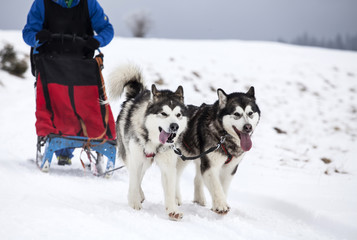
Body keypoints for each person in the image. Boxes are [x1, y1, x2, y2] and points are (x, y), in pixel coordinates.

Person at [23, 0, 115, 166]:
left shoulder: (89, 4)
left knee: (85, 103)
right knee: (57, 103)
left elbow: (107, 29)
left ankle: (82, 141)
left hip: (81, 62)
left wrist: (98, 40)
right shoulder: (41, 4)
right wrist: (37, 37)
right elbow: (28, 32)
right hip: (49, 61)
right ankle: (61, 148)